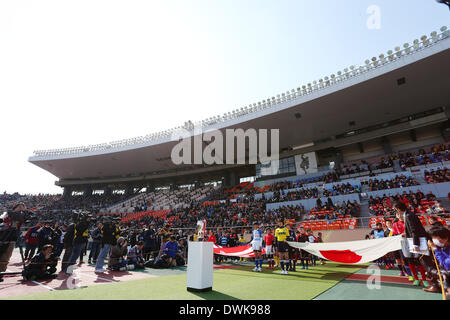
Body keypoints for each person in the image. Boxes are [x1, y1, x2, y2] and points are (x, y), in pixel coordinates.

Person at [394, 201, 430, 287]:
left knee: (419, 261)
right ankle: (416, 279)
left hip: (415, 241)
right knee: (410, 260)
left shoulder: (409, 215)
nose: (396, 212)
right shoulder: (407, 215)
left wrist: (415, 244)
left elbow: (414, 230)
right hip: (408, 241)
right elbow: (410, 230)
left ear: (398, 209)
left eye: (396, 210)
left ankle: (424, 279)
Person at [427, 226, 450, 298]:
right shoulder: (443, 247)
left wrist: (435, 250)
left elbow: (446, 264)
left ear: (445, 238)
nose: (434, 241)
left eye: (435, 238)